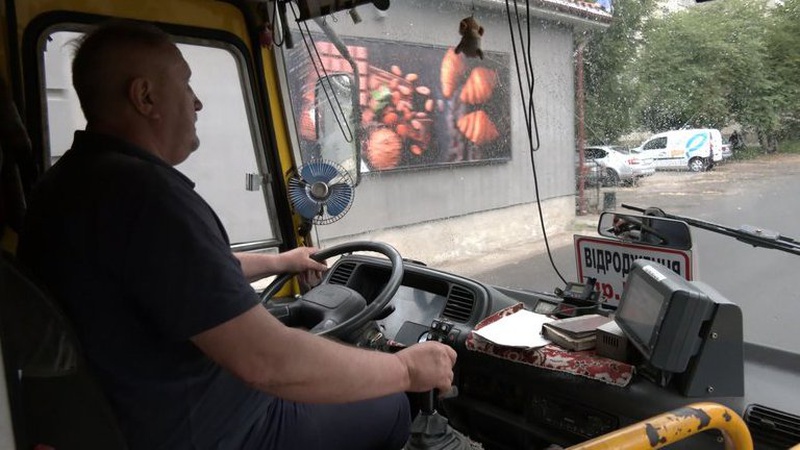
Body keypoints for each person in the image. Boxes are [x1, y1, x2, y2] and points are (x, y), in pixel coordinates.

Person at [18, 20, 456, 450]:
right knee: (390, 405)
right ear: (145, 96)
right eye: (186, 86)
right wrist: (404, 370)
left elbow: (186, 275)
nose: (197, 103)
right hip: (220, 429)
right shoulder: (146, 198)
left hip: (134, 418)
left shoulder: (64, 186)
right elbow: (268, 362)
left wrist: (281, 262)